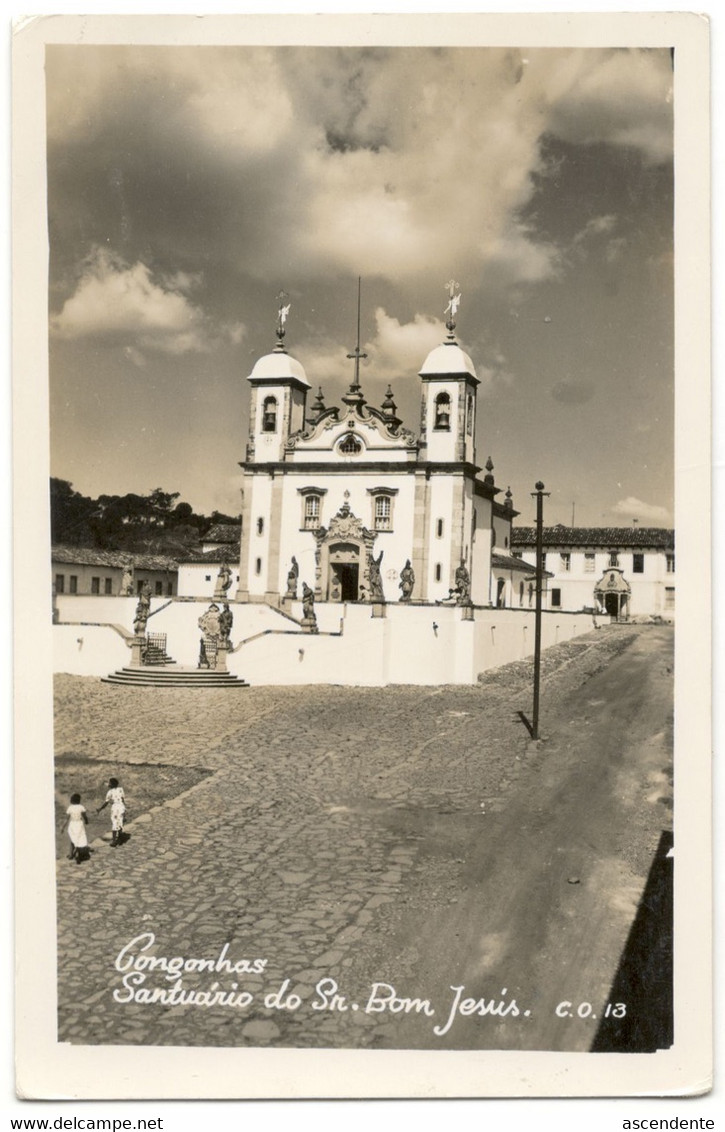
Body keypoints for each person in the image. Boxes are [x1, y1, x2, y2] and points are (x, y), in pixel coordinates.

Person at [97, 777, 127, 847]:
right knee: (120, 822)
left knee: (114, 823)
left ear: (112, 784)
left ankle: (114, 841)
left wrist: (100, 809)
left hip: (115, 808)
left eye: (109, 783)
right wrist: (125, 810)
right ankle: (119, 837)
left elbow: (106, 803)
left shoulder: (109, 792)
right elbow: (122, 800)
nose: (108, 784)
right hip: (121, 807)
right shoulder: (121, 789)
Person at [64, 793, 90, 864]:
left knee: (72, 839)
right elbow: (85, 816)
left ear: (71, 800)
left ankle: (71, 854)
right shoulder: (81, 807)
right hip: (79, 824)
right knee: (79, 839)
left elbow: (66, 819)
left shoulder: (70, 808)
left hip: (72, 824)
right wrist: (87, 821)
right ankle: (78, 855)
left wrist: (63, 827)